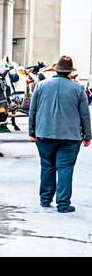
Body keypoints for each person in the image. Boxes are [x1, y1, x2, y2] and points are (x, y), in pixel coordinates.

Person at [28, 56, 91, 213]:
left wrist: (32, 131)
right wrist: (87, 135)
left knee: (47, 166)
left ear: (56, 71)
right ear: (70, 72)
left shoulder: (40, 86)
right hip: (70, 138)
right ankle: (63, 204)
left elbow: (32, 111)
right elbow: (85, 114)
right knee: (65, 168)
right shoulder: (78, 89)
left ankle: (45, 199)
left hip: (44, 134)